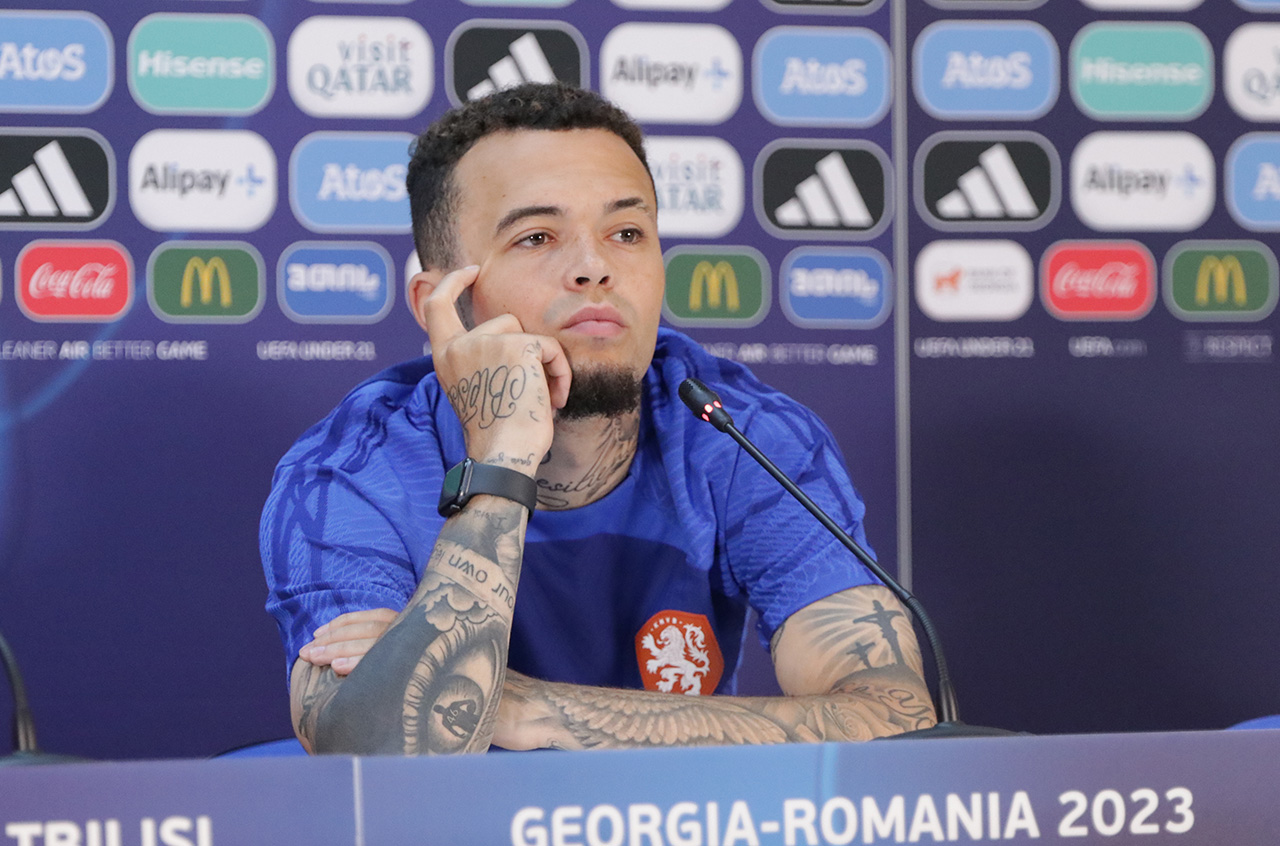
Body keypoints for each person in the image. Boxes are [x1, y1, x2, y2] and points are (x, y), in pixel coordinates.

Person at [260, 82, 935, 755]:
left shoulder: (739, 434)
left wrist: (525, 706)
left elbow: (899, 720)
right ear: (440, 304)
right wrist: (502, 457)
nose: (594, 267)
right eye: (536, 237)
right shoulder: (352, 472)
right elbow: (371, 742)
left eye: (627, 233)